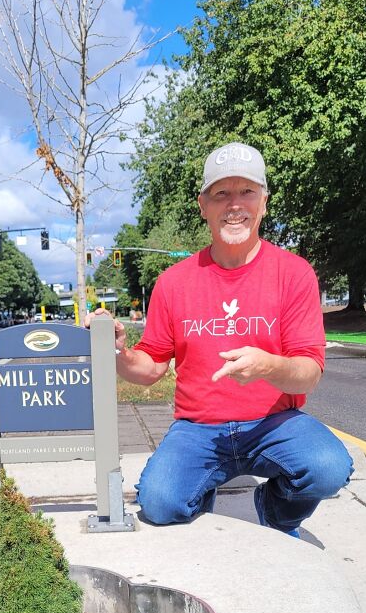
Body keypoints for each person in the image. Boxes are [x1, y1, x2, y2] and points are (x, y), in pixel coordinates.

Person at [86, 141, 352, 537]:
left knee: (328, 467)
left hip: (273, 424)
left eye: (246, 191)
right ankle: (201, 488)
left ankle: (276, 511)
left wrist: (269, 365)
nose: (234, 204)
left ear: (263, 201)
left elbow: (308, 373)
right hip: (199, 429)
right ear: (203, 205)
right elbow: (150, 367)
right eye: (221, 193)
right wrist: (119, 352)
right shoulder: (174, 282)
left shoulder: (293, 274)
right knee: (160, 504)